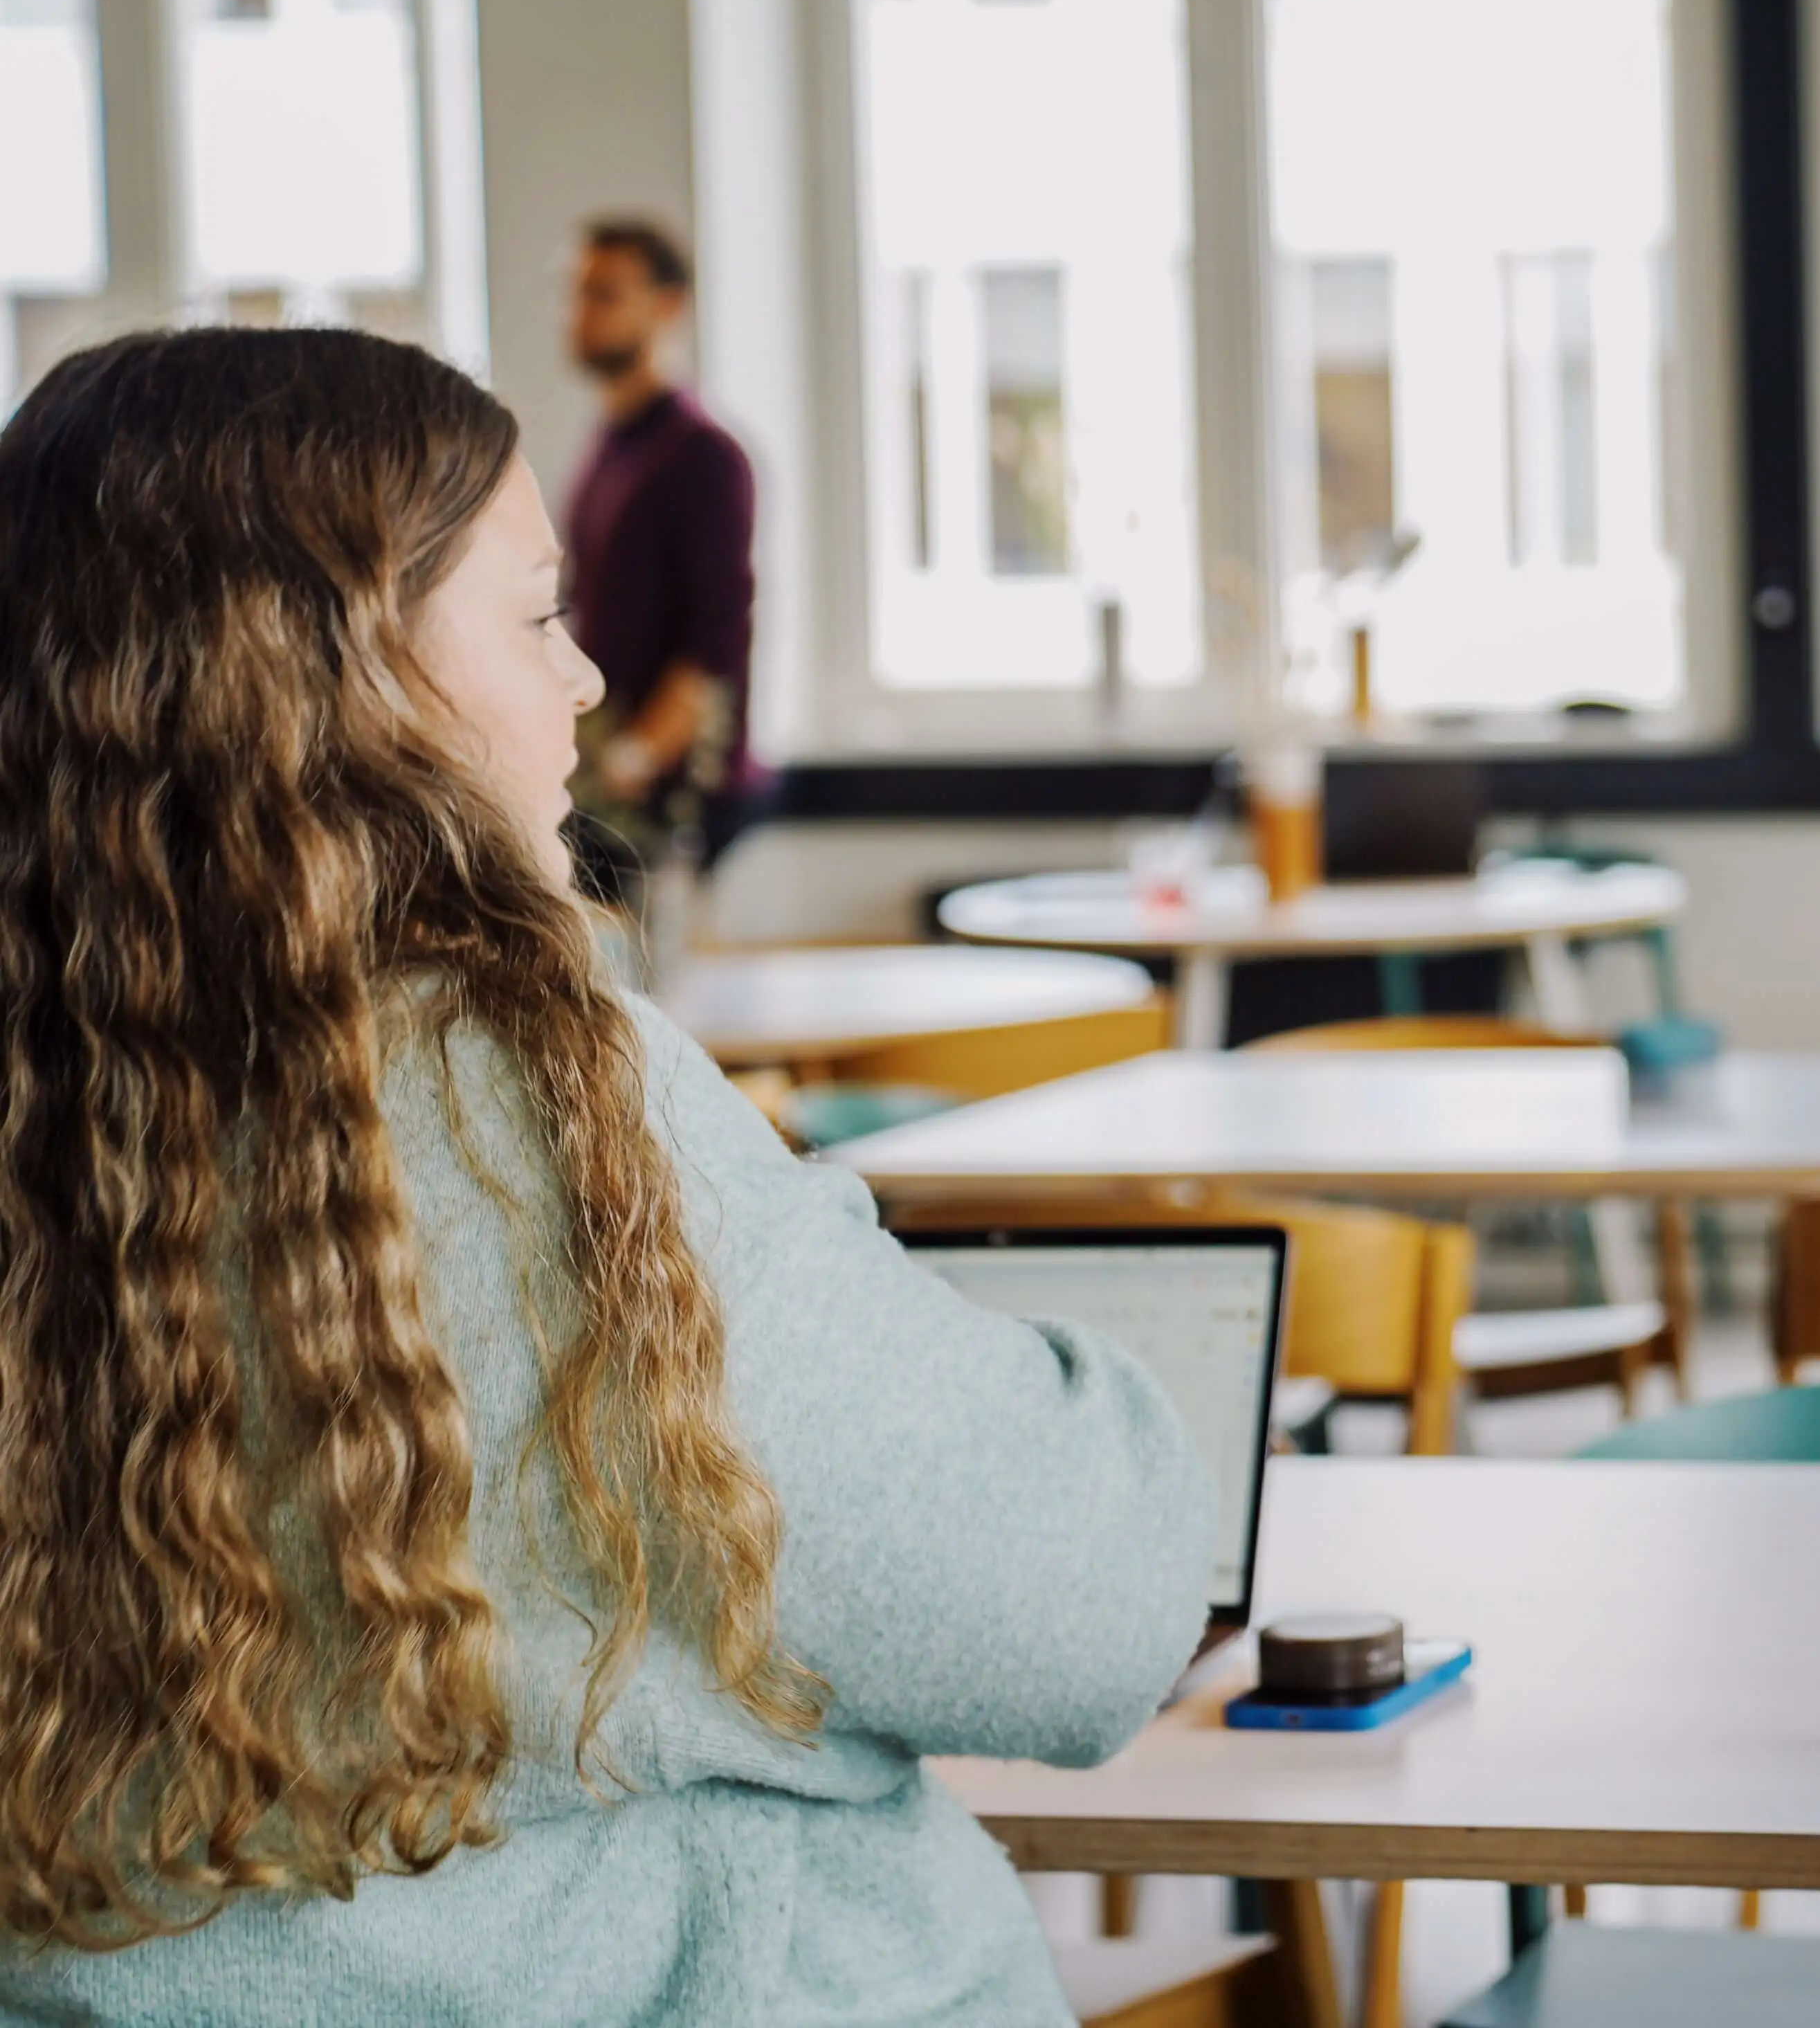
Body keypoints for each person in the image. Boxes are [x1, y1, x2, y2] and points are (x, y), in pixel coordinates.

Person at [0, 328, 1210, 2026]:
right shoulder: (542, 1109)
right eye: (538, 614)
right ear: (350, 671)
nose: (582, 681)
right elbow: (1087, 1613)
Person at [561, 216, 761, 876]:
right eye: (579, 292)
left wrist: (633, 761)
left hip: (665, 800)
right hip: (603, 785)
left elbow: (714, 641)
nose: (582, 312)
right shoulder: (608, 449)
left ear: (668, 305)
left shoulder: (703, 455)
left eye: (605, 293)